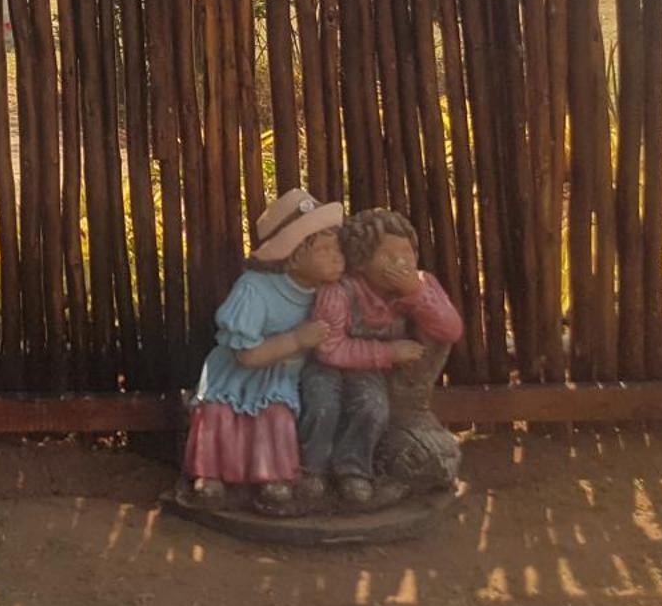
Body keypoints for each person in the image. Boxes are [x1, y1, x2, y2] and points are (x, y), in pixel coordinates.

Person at [179, 189, 345, 516]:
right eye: (324, 249)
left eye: (336, 247)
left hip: (280, 375)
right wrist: (297, 341)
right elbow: (246, 356)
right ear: (294, 255)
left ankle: (273, 477)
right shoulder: (254, 289)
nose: (337, 256)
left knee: (276, 416)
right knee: (220, 413)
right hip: (237, 372)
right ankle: (210, 474)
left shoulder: (331, 292)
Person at [299, 207, 463, 510]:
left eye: (407, 253)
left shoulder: (419, 285)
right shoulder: (339, 293)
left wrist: (415, 292)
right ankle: (312, 471)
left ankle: (353, 470)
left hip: (368, 371)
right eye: (388, 257)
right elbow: (328, 349)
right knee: (322, 405)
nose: (401, 263)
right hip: (326, 368)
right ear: (361, 262)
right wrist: (388, 353)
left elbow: (450, 329)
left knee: (373, 407)